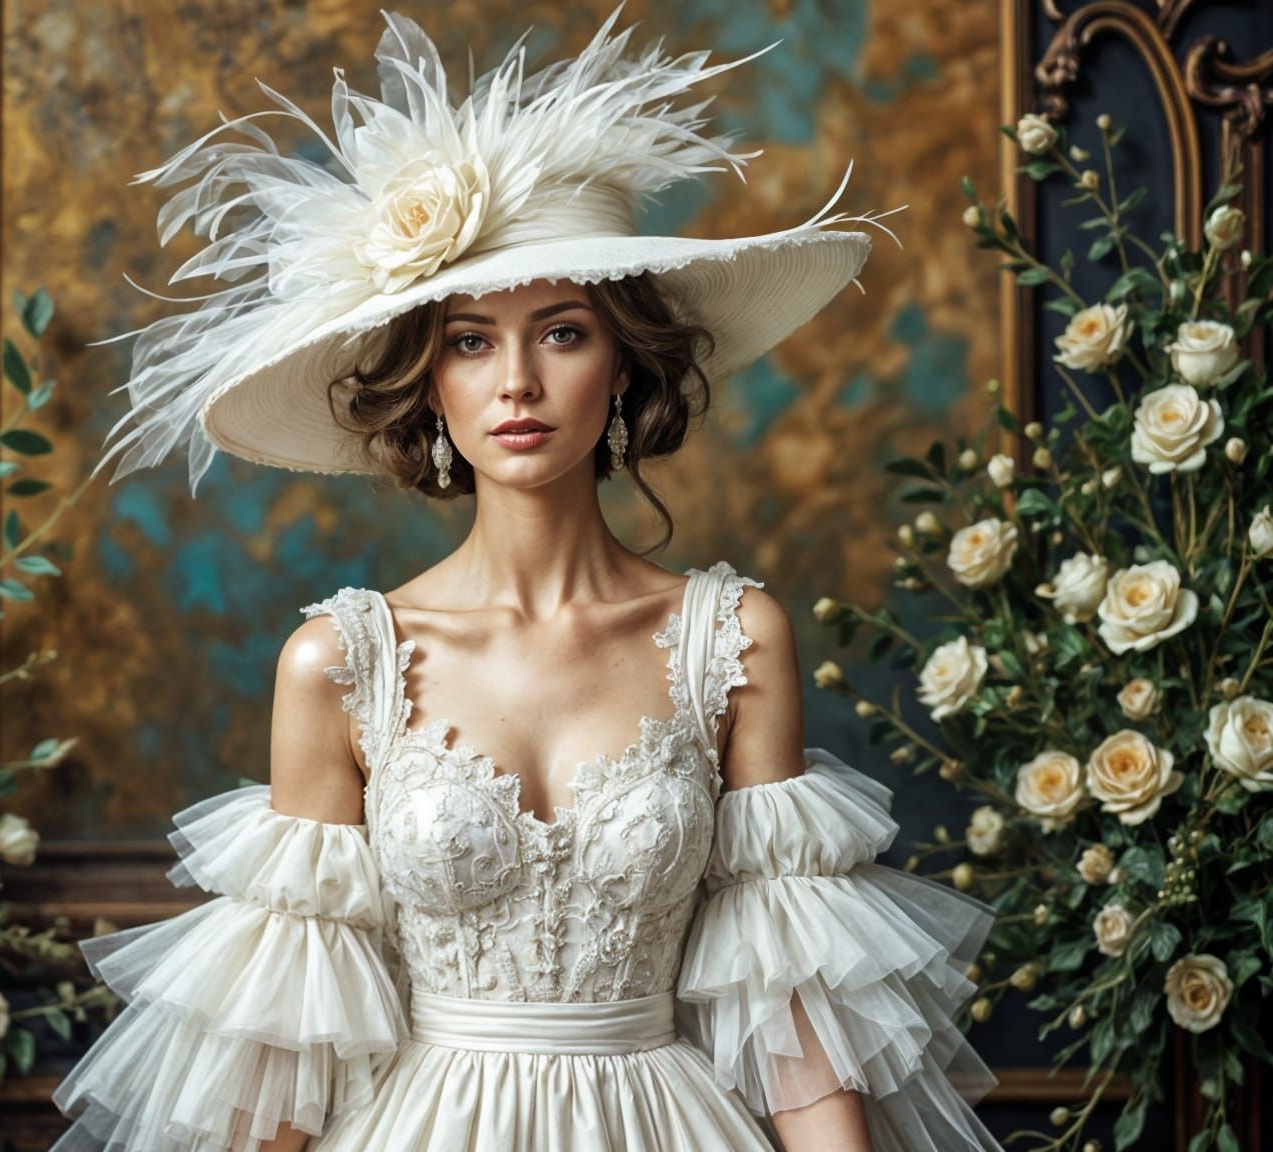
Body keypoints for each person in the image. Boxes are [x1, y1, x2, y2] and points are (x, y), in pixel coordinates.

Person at [50, 7, 1005, 1150]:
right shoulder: (340, 665)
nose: (516, 382)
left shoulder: (732, 637)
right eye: (467, 340)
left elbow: (790, 1020)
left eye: (560, 332)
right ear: (430, 385)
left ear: (623, 363)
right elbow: (284, 1061)